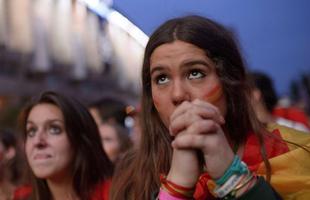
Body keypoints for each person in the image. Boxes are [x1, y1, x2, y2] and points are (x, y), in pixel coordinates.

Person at [110, 15, 310, 200]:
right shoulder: (131, 175)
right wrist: (176, 187)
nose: (178, 94)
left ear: (230, 81)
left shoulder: (293, 152)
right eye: (161, 78)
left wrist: (230, 175)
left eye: (195, 73)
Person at [16, 91, 113, 200]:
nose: (37, 141)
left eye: (54, 129)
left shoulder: (115, 195)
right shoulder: (20, 197)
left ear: (81, 140)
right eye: (31, 131)